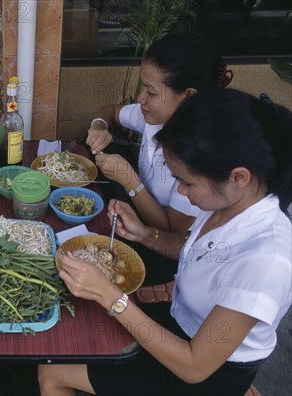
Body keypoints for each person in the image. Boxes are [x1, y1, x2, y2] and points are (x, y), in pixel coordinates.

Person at [38, 88, 292, 396]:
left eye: (187, 182)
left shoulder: (267, 260)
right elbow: (199, 253)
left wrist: (110, 296)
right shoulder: (233, 206)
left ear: (239, 177)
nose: (182, 193)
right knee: (77, 323)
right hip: (179, 324)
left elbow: (194, 366)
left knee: (52, 369)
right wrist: (146, 235)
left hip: (201, 374)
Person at [86, 32, 232, 234]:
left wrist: (129, 179)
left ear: (188, 95)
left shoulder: (203, 150)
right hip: (136, 221)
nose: (140, 98)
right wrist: (99, 125)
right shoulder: (156, 115)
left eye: (151, 92)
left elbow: (171, 230)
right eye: (143, 87)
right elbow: (112, 112)